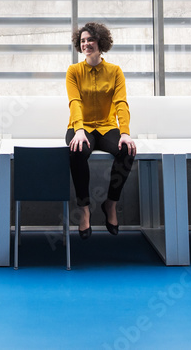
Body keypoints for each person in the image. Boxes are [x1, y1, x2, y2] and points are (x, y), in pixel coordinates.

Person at [65, 22, 136, 238]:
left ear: (100, 42)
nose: (86, 44)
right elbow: (75, 102)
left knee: (127, 150)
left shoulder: (115, 71)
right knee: (77, 150)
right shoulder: (74, 71)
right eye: (83, 41)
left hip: (106, 126)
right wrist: (78, 129)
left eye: (91, 40)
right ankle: (84, 208)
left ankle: (111, 204)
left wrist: (125, 132)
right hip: (81, 126)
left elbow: (121, 103)